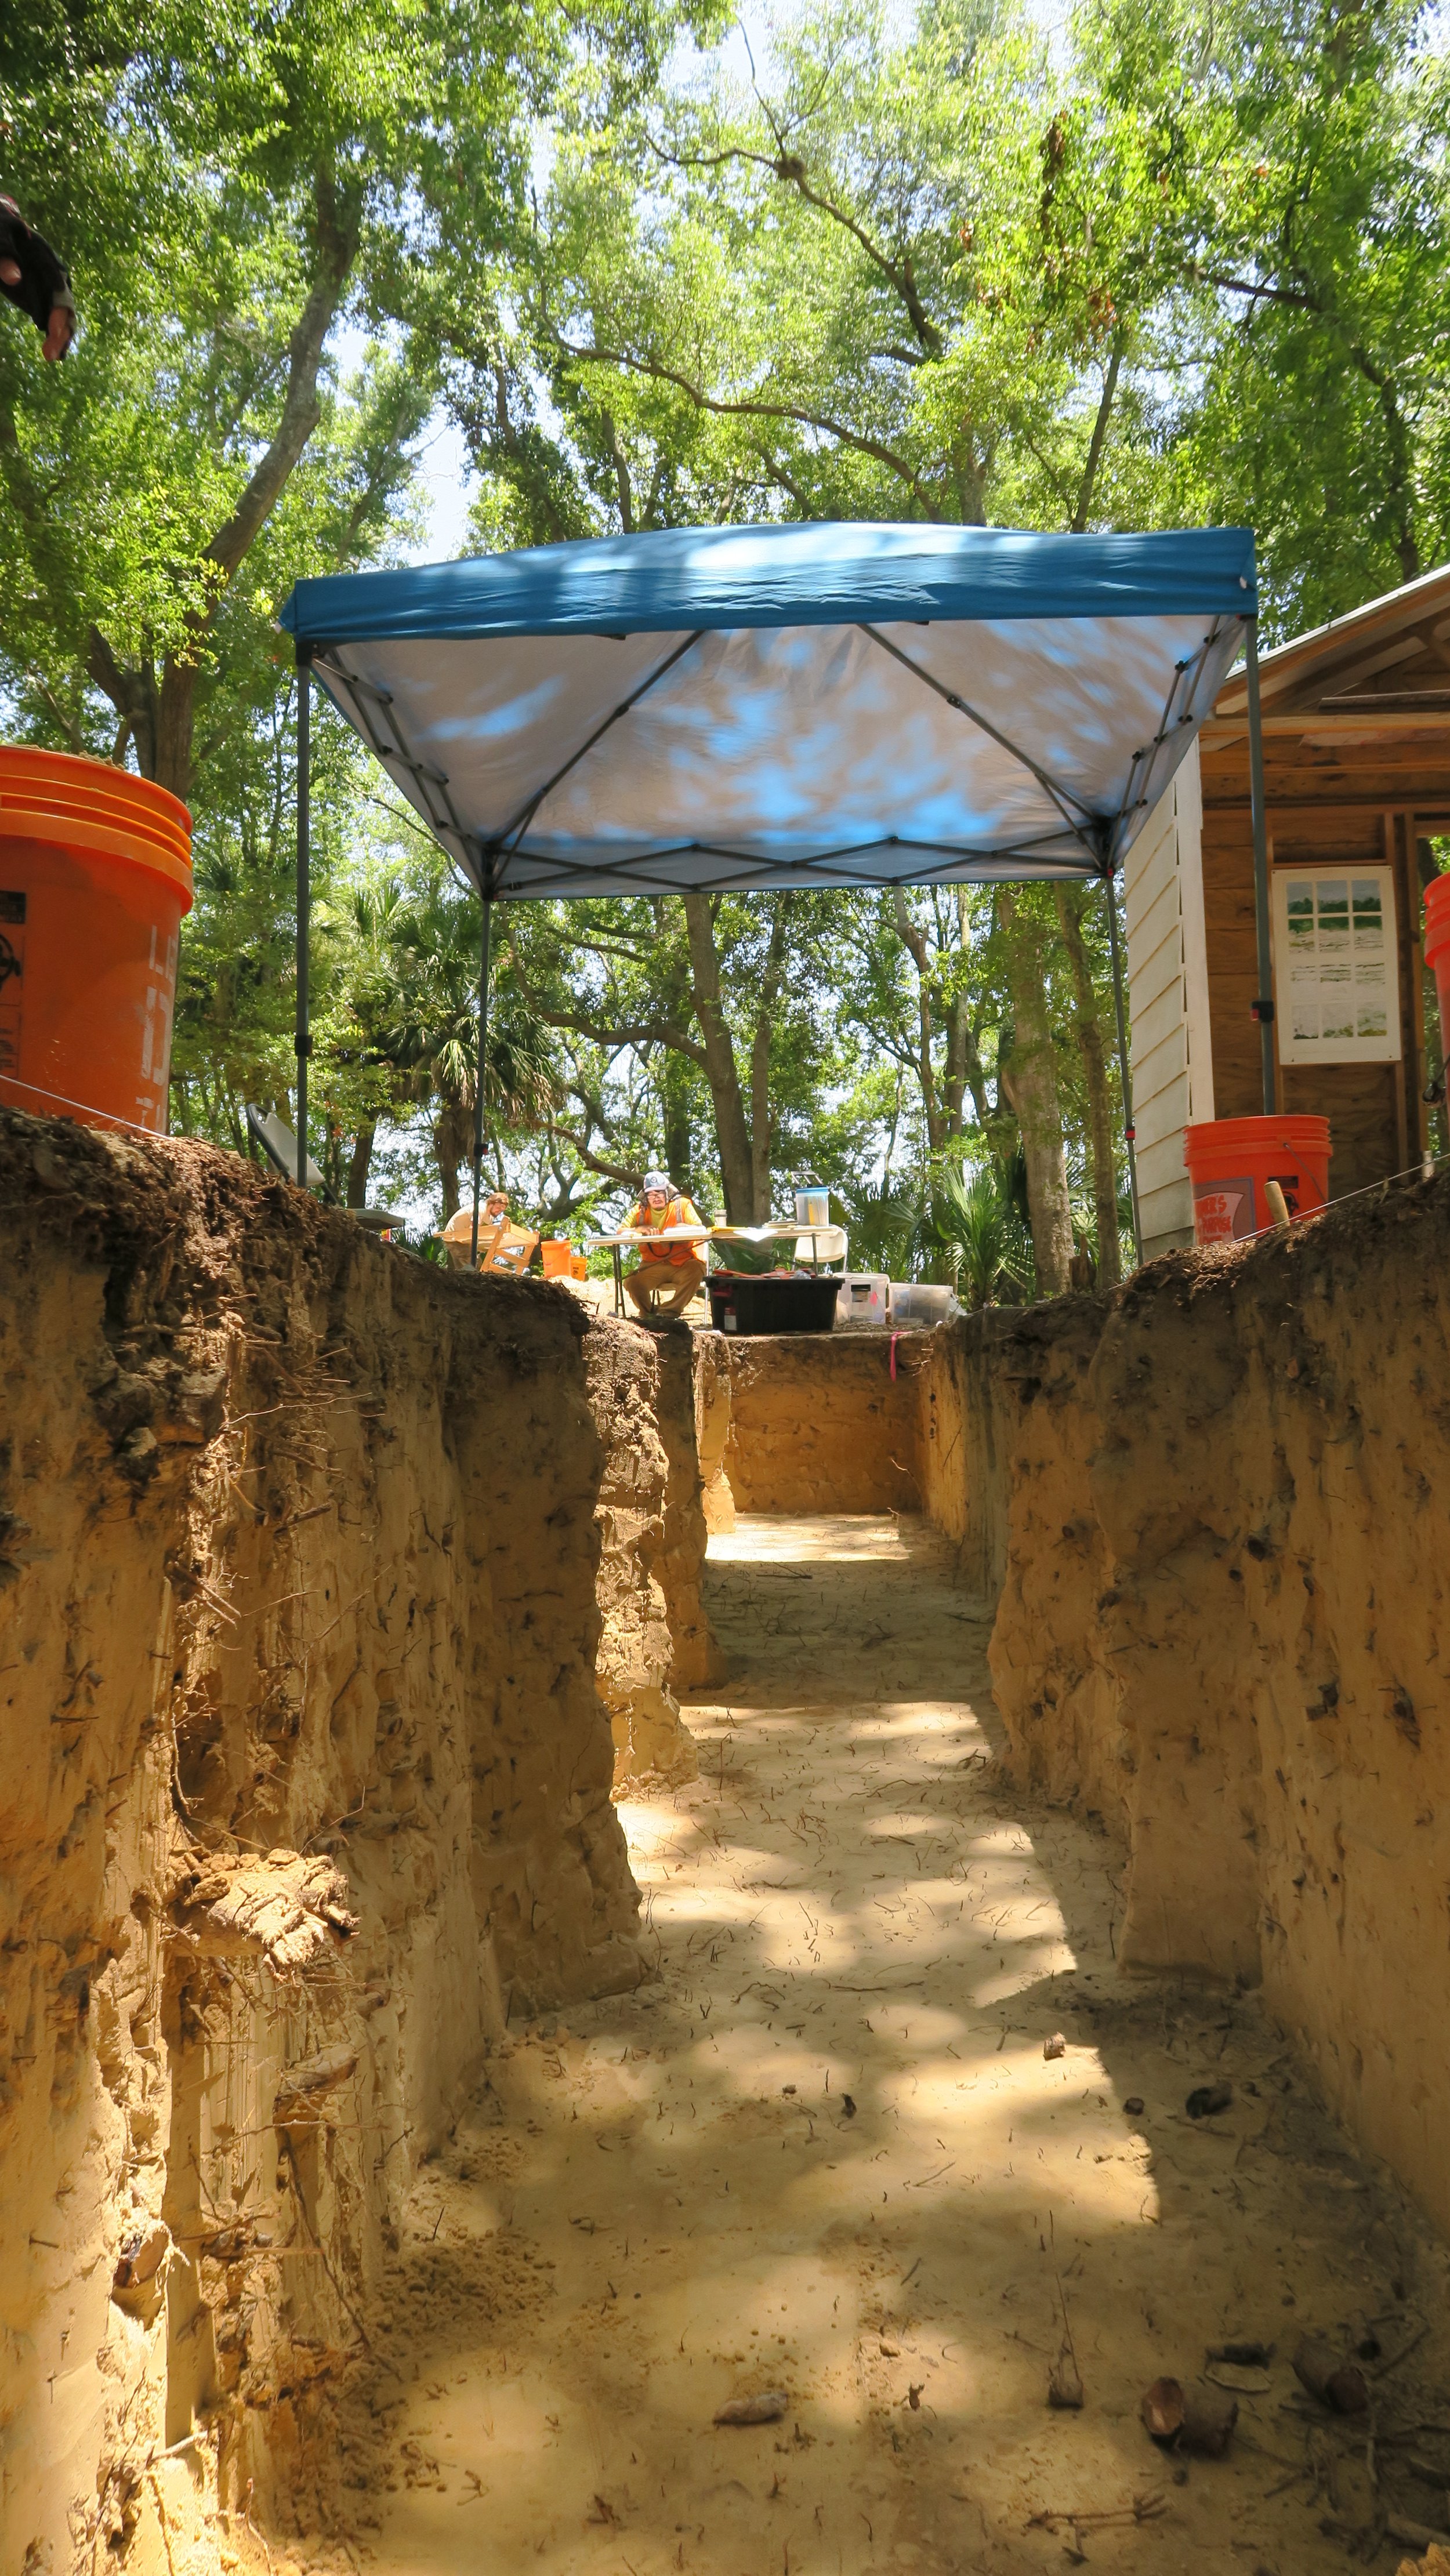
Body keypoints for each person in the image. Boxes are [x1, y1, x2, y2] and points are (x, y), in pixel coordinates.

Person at [0, 190, 75, 360]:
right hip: (42, 266)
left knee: (49, 283)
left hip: (22, 245)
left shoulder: (7, 213)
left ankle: (5, 259)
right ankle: (61, 332)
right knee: (50, 294)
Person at [623, 1169, 707, 1319]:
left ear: (667, 1192)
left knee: (697, 1269)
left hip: (683, 1264)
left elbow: (701, 1229)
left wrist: (683, 1228)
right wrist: (640, 1229)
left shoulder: (682, 1205)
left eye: (660, 1193)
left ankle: (668, 1313)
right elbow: (621, 1231)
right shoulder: (639, 1211)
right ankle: (648, 1314)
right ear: (645, 1197)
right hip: (652, 1265)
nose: (656, 1198)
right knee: (632, 1282)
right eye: (651, 1194)